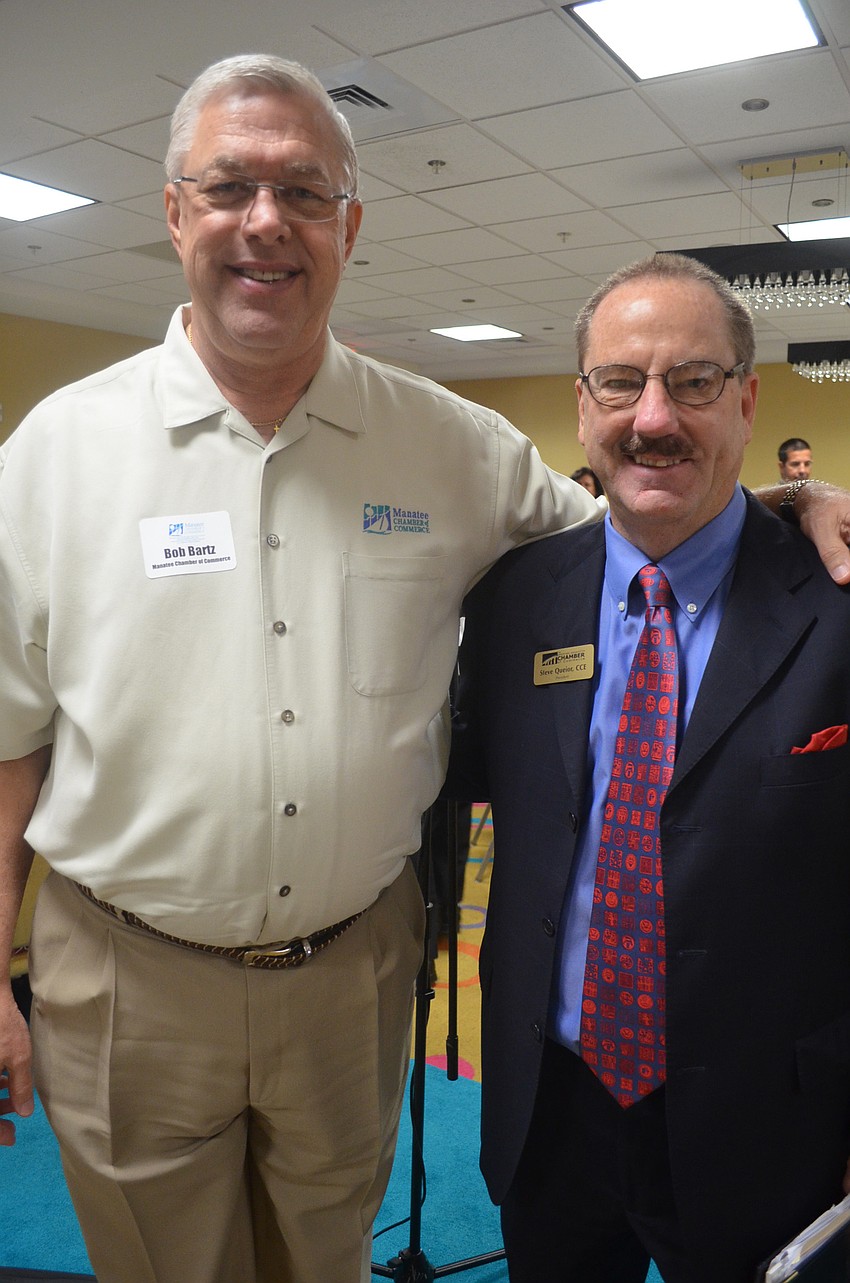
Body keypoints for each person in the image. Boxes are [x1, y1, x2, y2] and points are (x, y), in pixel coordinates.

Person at [0, 56, 848, 1283]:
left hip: (355, 976)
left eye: (303, 191)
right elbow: (6, 735)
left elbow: (638, 517)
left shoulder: (452, 447)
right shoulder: (50, 456)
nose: (264, 222)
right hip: (128, 975)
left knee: (325, 1257)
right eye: (229, 185)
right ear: (175, 210)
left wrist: (790, 504)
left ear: (349, 224)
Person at [447, 253, 850, 1283]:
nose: (654, 416)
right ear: (582, 407)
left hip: (775, 1120)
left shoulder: (838, 596)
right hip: (554, 1106)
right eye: (620, 381)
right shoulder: (512, 600)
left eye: (695, 381)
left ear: (748, 400)